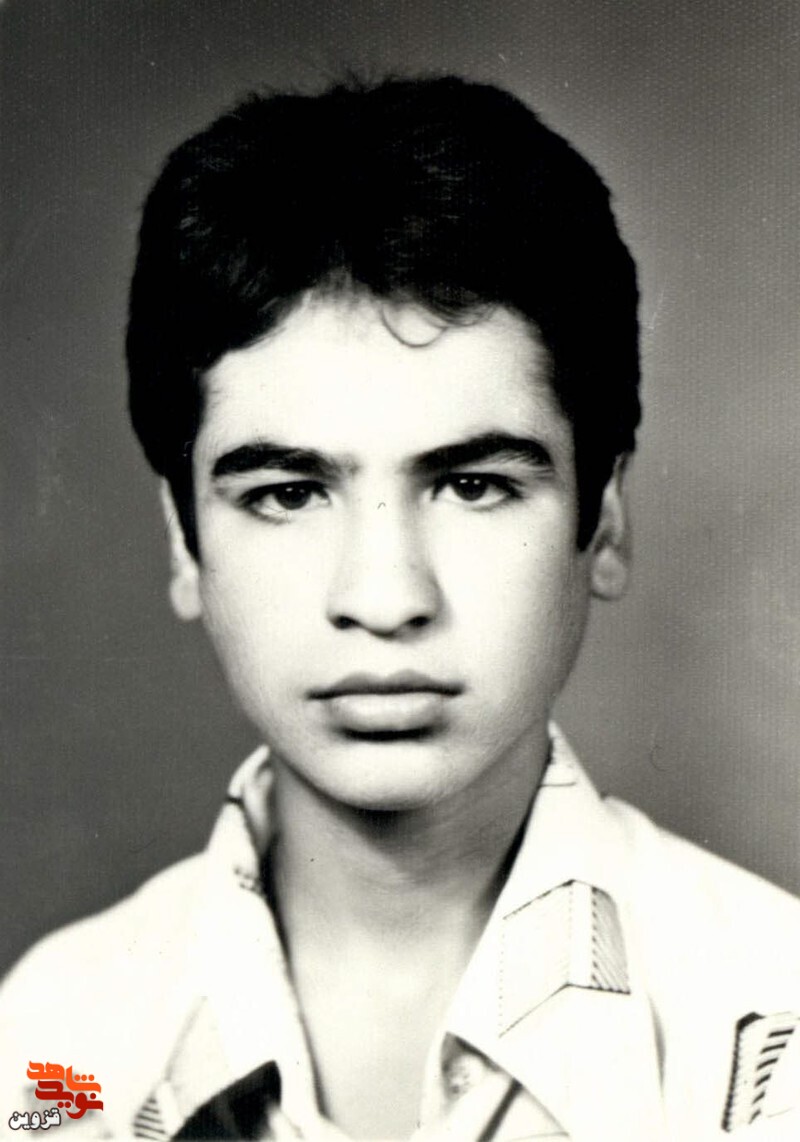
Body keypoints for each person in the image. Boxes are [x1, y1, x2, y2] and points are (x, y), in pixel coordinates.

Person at [1, 74, 799, 1142]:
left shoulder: (772, 1026)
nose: (382, 599)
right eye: (288, 494)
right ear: (185, 540)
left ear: (603, 520)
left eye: (472, 485)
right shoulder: (53, 1047)